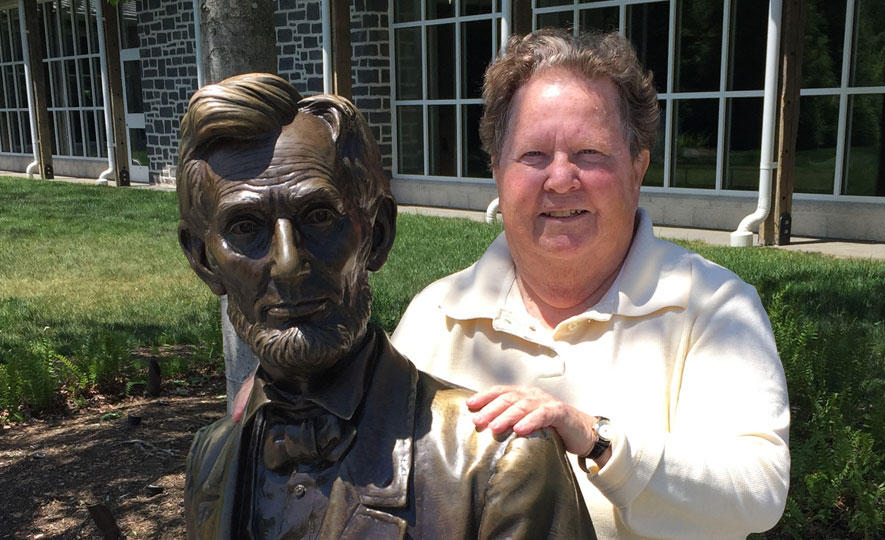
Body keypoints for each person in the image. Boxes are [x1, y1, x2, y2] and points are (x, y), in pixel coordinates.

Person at [390, 29, 790, 540]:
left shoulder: (712, 306)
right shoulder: (436, 314)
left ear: (638, 167)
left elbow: (757, 491)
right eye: (533, 154)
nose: (560, 179)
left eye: (590, 152)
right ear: (497, 171)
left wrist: (596, 440)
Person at [177, 72, 596, 539]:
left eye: (319, 217)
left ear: (376, 234)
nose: (288, 264)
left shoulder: (498, 464)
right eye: (244, 228)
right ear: (202, 260)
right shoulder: (210, 460)